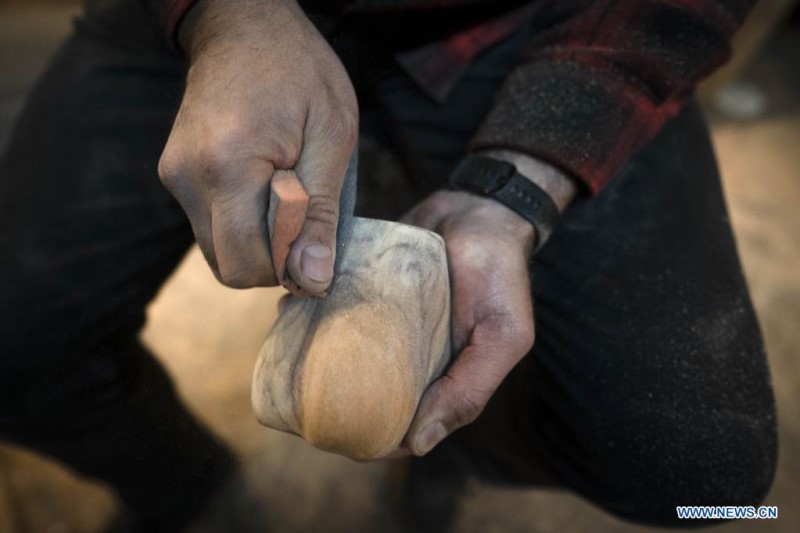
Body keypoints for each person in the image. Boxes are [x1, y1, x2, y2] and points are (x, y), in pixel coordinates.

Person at [0, 0, 777, 530]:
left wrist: (520, 183)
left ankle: (450, 440)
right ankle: (189, 490)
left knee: (706, 476)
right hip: (221, 17)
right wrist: (225, 16)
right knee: (17, 345)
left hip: (520, 24)